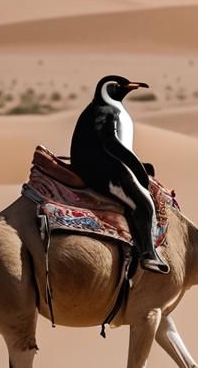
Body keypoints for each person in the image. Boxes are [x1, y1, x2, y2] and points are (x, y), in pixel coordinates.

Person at [69, 75, 169, 274]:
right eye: (120, 86)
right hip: (102, 171)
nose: (127, 87)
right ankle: (148, 255)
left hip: (102, 165)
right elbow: (111, 144)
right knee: (144, 203)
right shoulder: (105, 112)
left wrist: (138, 165)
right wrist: (138, 168)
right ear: (109, 90)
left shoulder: (102, 110)